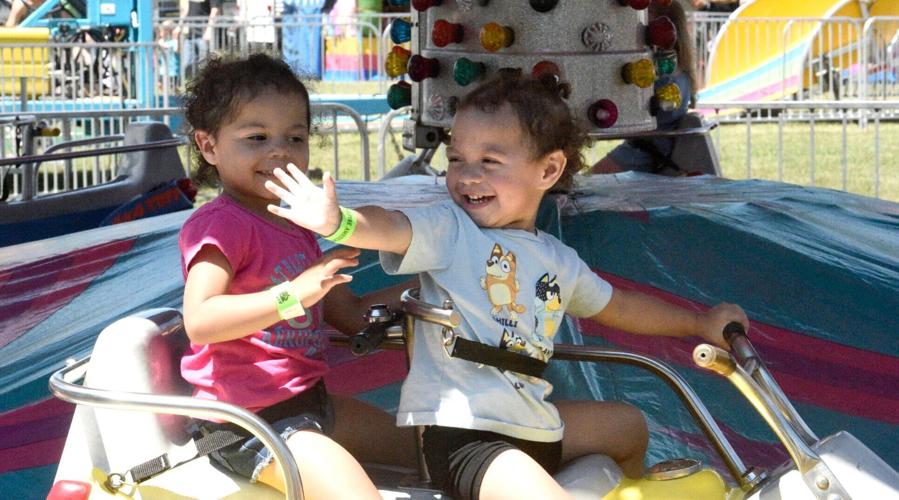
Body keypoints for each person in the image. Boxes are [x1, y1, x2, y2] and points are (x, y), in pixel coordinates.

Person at [265, 72, 750, 500]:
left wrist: (698, 322)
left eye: (490, 161)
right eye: (456, 159)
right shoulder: (450, 232)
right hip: (468, 438)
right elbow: (390, 225)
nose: (466, 176)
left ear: (548, 170)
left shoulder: (558, 259)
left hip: (534, 422)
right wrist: (341, 221)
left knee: (628, 425)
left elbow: (617, 305)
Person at [179, 53, 416, 498]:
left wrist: (427, 288)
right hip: (247, 425)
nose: (279, 151)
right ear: (209, 146)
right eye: (257, 137)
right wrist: (294, 294)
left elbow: (352, 316)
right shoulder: (222, 225)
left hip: (309, 403)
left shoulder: (294, 225)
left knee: (425, 451)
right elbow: (201, 320)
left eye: (295, 137)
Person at [592, 0, 698, 175]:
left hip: (645, 152)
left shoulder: (660, 75)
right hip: (653, 148)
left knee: (586, 185)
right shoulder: (682, 71)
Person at [175, 0, 222, 79]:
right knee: (187, 64)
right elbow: (185, 10)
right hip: (190, 35)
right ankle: (190, 87)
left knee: (204, 65)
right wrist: (179, 26)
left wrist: (209, 30)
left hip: (203, 35)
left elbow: (215, 10)